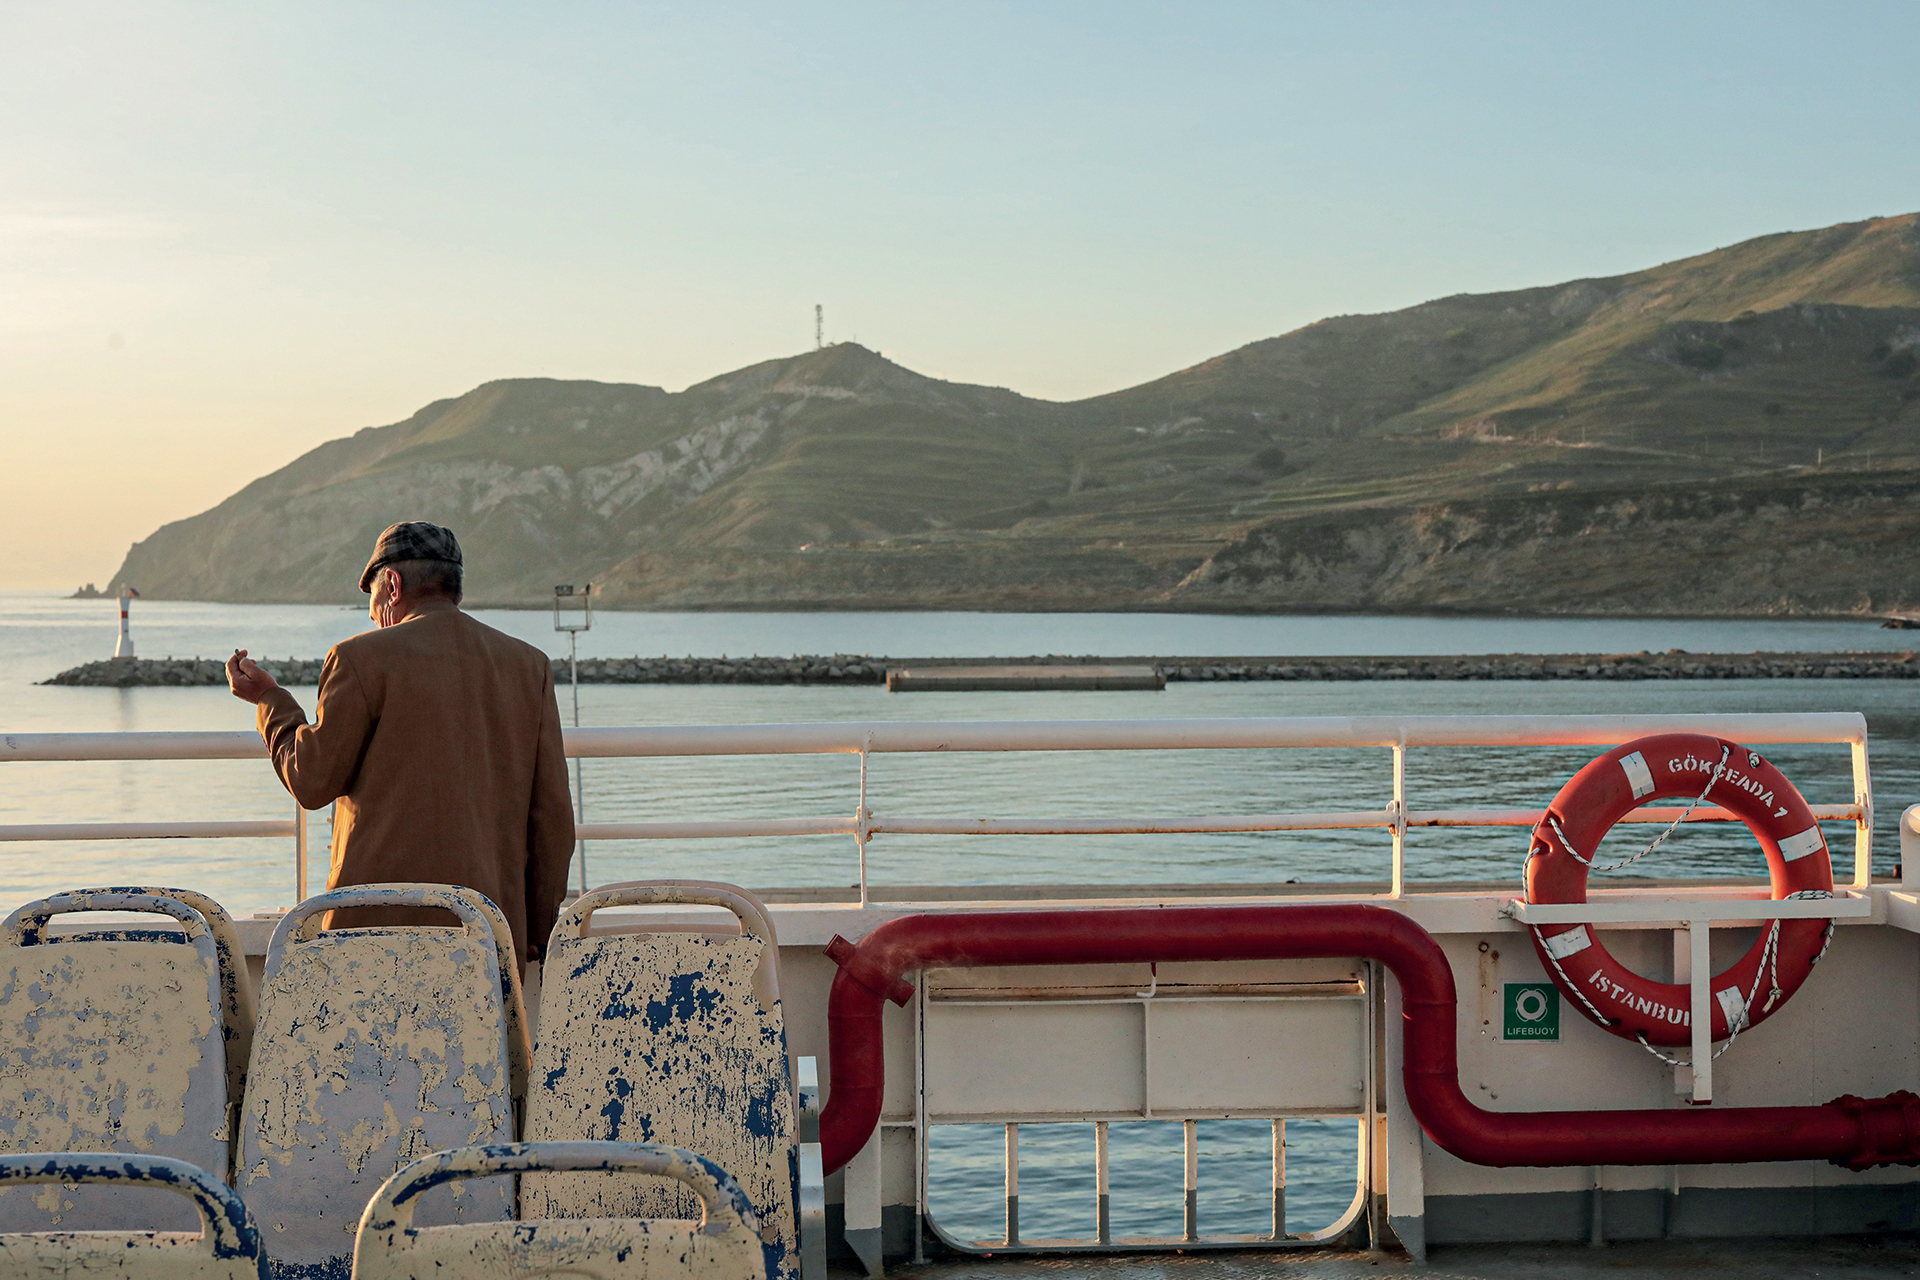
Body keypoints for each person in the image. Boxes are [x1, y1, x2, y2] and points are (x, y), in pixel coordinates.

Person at [226, 521, 574, 967]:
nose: (372, 614)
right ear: (456, 589)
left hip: (372, 932)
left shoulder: (359, 658)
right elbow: (553, 823)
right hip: (489, 934)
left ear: (391, 584)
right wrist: (534, 932)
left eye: (371, 596)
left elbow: (311, 781)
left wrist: (270, 701)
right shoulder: (529, 665)